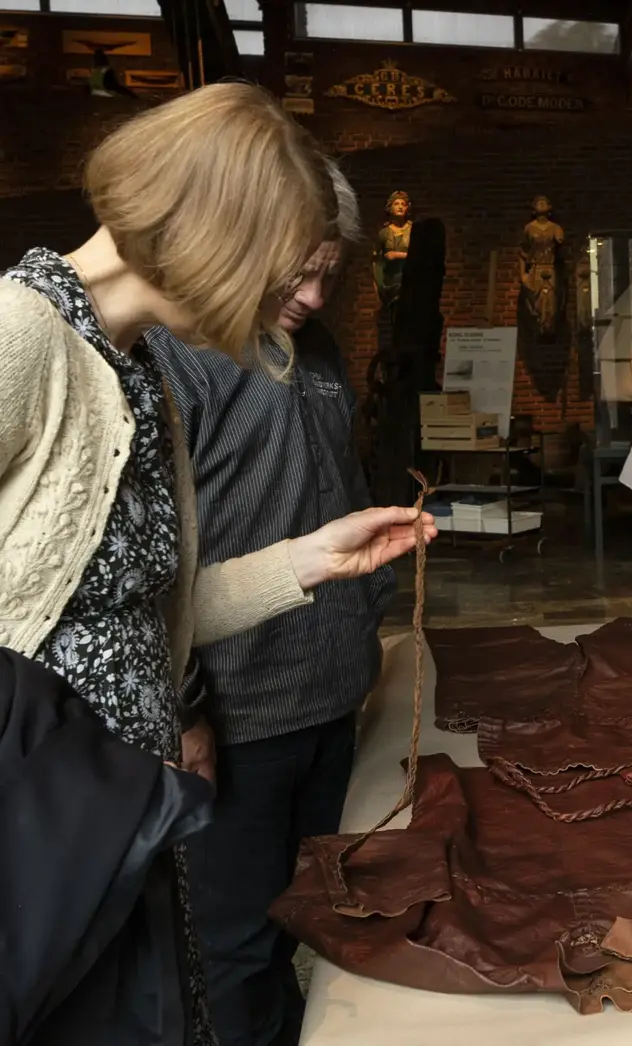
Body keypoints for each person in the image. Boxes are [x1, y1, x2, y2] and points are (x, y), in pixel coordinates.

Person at [0, 82, 436, 1046]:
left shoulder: (133, 363)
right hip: (47, 826)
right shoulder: (21, 333)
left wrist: (307, 561)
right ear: (209, 229)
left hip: (121, 811)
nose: (303, 299)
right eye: (288, 266)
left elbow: (139, 616)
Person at [148, 162, 395, 1046]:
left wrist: (371, 616)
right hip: (238, 713)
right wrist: (183, 711)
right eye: (297, 273)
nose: (316, 296)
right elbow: (150, 567)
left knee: (309, 915)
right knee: (235, 946)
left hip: (332, 698)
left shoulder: (318, 351)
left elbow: (342, 484)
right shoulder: (169, 358)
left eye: (330, 273)